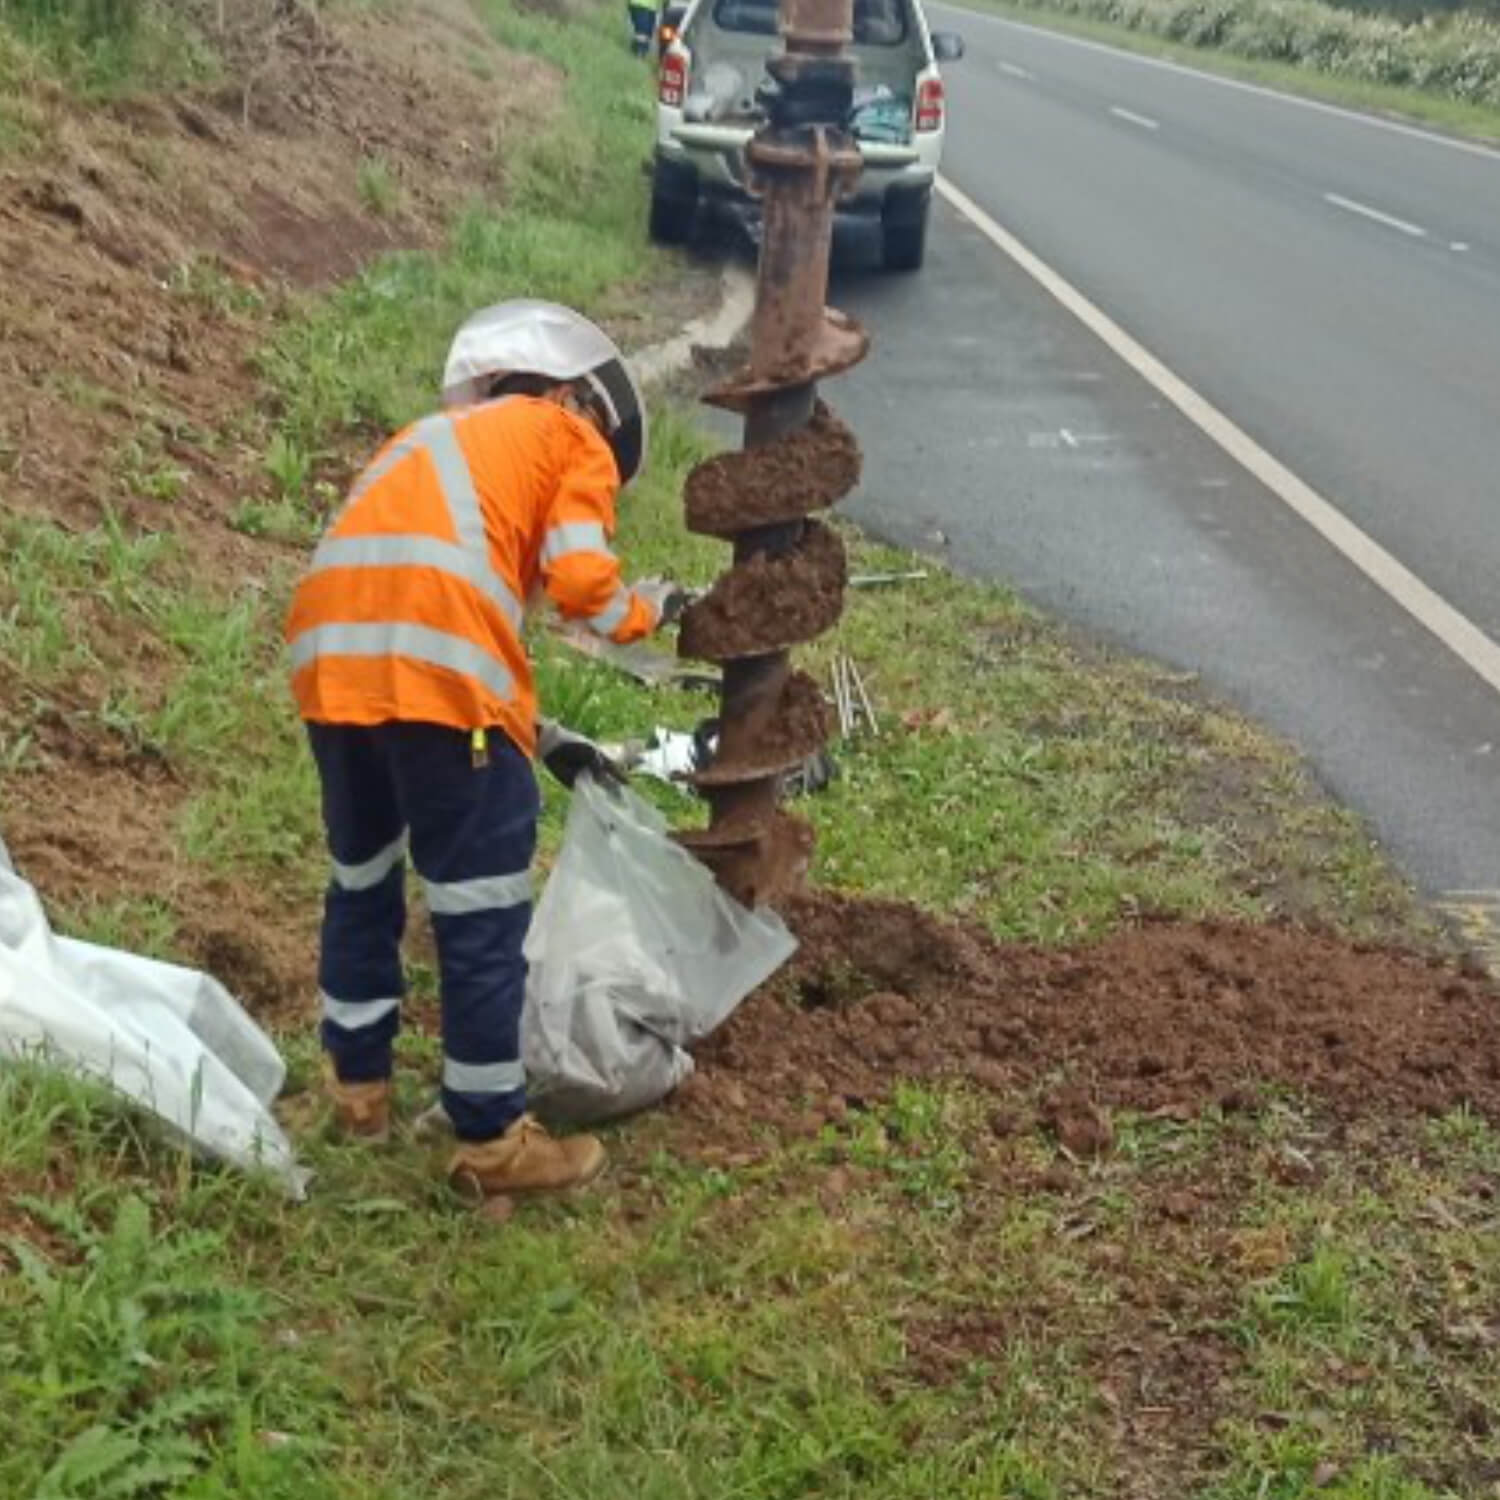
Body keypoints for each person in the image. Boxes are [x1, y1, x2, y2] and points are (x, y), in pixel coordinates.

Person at [284, 301, 685, 1200]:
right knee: (481, 912)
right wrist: (649, 613)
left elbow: (432, 579)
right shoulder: (565, 435)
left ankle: (356, 1093)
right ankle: (492, 1139)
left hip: (330, 666)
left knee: (361, 879)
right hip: (440, 674)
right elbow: (583, 581)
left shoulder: (428, 440)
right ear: (582, 398)